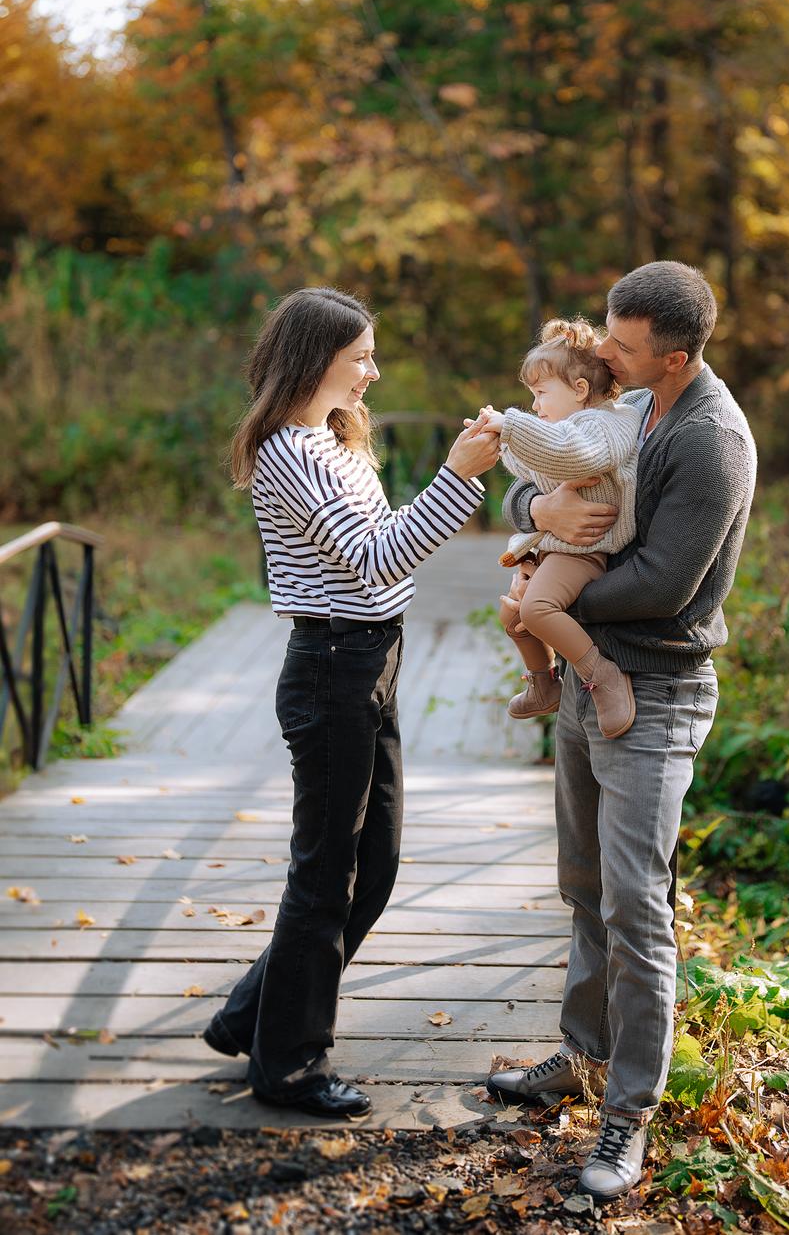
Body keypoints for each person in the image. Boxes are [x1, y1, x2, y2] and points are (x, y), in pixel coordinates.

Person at [485, 261, 757, 1203]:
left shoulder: (710, 440)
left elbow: (662, 584)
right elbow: (541, 480)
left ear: (674, 356)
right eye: (605, 330)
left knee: (636, 906)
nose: (602, 351)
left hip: (656, 684)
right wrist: (536, 519)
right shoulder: (629, 401)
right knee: (584, 883)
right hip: (584, 675)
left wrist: (543, 588)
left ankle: (629, 1113)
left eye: (625, 343)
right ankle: (581, 1052)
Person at [204, 287, 500, 1119]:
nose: (374, 370)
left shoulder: (331, 441)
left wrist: (444, 490)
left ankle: (251, 1018)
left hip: (371, 657)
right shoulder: (292, 453)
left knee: (376, 864)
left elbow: (385, 560)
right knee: (327, 873)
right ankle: (289, 1065)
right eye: (361, 356)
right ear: (317, 359)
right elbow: (378, 559)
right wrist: (457, 475)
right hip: (333, 667)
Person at [476, 318, 641, 738]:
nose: (534, 405)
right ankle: (545, 684)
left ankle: (602, 674)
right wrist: (500, 441)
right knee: (513, 616)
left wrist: (511, 426)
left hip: (587, 550)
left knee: (536, 609)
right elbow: (533, 471)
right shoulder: (565, 428)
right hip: (557, 546)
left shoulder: (608, 424)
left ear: (581, 390)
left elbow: (574, 458)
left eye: (540, 393)